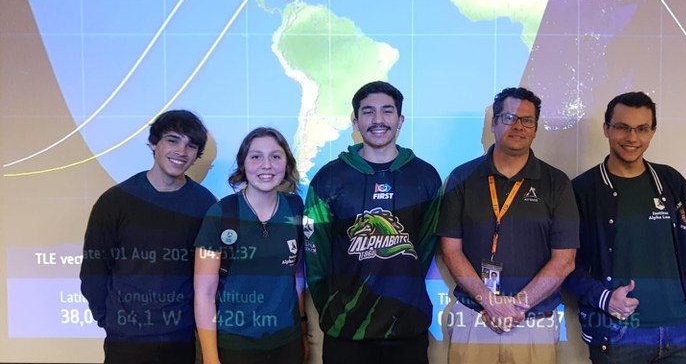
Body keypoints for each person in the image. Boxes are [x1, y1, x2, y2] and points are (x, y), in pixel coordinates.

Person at [566, 92, 686, 364]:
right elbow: (567, 264)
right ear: (606, 129)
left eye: (642, 129)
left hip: (681, 332)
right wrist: (604, 299)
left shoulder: (672, 182)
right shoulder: (582, 190)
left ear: (652, 131)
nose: (632, 138)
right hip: (617, 335)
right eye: (622, 127)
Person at [303, 81, 442, 364]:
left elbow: (426, 247)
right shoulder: (328, 178)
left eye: (387, 111)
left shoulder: (425, 176)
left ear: (400, 120)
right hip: (346, 332)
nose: (378, 120)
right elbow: (316, 256)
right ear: (355, 121)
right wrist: (332, 308)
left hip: (407, 329)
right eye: (368, 112)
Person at [438, 87, 579, 364]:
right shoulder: (462, 177)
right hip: (475, 316)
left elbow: (564, 261)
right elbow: (450, 251)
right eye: (509, 118)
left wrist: (516, 306)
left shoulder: (557, 182)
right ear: (494, 123)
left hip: (533, 320)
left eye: (527, 120)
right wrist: (489, 302)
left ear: (535, 129)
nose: (518, 126)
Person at [79, 110, 217, 364]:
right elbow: (93, 270)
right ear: (154, 143)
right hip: (125, 340)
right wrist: (110, 321)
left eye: (191, 146)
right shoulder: (115, 201)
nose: (181, 151)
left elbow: (210, 276)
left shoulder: (205, 204)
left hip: (181, 338)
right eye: (173, 140)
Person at [194, 127, 307, 364]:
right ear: (243, 164)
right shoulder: (221, 214)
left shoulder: (296, 208)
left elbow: (297, 273)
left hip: (288, 341)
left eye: (275, 156)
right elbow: (204, 293)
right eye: (256, 157)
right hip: (236, 344)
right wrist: (211, 357)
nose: (266, 165)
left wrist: (302, 327)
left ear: (287, 163)